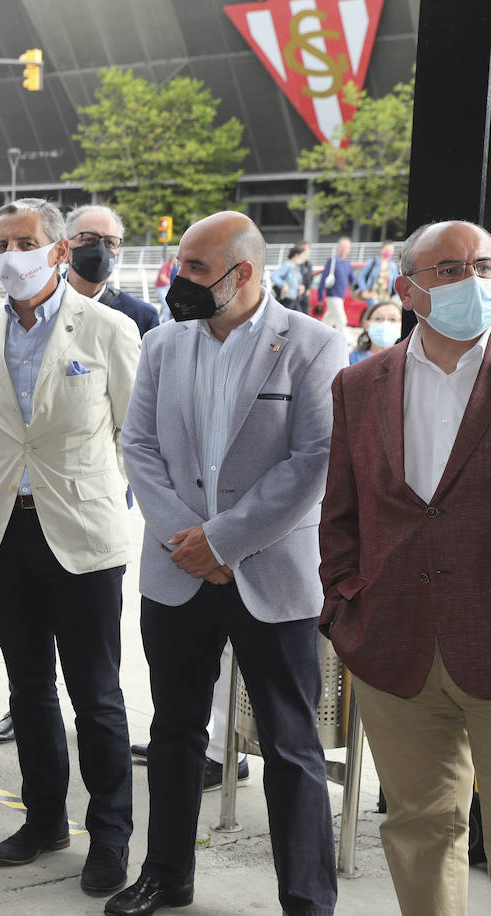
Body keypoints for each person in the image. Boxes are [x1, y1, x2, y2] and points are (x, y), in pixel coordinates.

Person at [110, 211, 344, 916]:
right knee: (175, 730)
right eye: (179, 264)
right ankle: (166, 876)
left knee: (291, 743)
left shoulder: (312, 345)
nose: (177, 280)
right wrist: (191, 537)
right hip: (178, 570)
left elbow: (313, 461)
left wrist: (226, 540)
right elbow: (139, 447)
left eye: (195, 269)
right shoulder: (161, 345)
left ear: (243, 273)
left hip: (272, 576)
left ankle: (306, 899)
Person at [0, 198, 140, 895]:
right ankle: (43, 818)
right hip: (5, 533)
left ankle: (112, 832)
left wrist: (92, 495)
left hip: (84, 537)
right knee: (29, 688)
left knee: (96, 695)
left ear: (59, 250)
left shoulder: (109, 329)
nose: (11, 254)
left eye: (25, 241)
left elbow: (133, 435)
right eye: (1, 242)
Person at [319, 220, 491, 915]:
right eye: (449, 270)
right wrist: (345, 608)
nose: (472, 281)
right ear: (407, 290)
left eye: (482, 264)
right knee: (419, 827)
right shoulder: (360, 385)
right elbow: (342, 512)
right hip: (395, 650)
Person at [66, 205, 159, 338]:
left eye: (109, 242)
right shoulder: (38, 306)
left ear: (117, 253)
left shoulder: (142, 317)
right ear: (65, 249)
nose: (99, 250)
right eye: (88, 239)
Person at [316, 236, 354, 329]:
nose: (343, 249)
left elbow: (352, 279)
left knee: (329, 319)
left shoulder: (347, 263)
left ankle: (320, 334)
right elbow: (323, 279)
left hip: (341, 296)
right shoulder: (332, 261)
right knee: (341, 319)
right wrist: (320, 298)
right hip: (332, 295)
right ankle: (345, 340)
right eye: (342, 246)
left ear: (349, 249)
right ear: (338, 247)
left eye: (346, 247)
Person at [356, 241, 398, 307]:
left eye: (391, 250)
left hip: (386, 298)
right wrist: (364, 290)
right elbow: (361, 276)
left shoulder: (393, 266)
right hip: (372, 296)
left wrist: (397, 296)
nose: (389, 252)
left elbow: (396, 283)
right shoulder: (373, 262)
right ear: (381, 249)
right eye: (387, 250)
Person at [270, 245, 306, 312]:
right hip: (287, 299)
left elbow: (294, 282)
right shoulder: (288, 265)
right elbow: (273, 275)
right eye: (303, 255)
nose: (305, 257)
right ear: (296, 255)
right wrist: (283, 284)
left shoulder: (297, 267)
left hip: (295, 298)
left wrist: (299, 286)